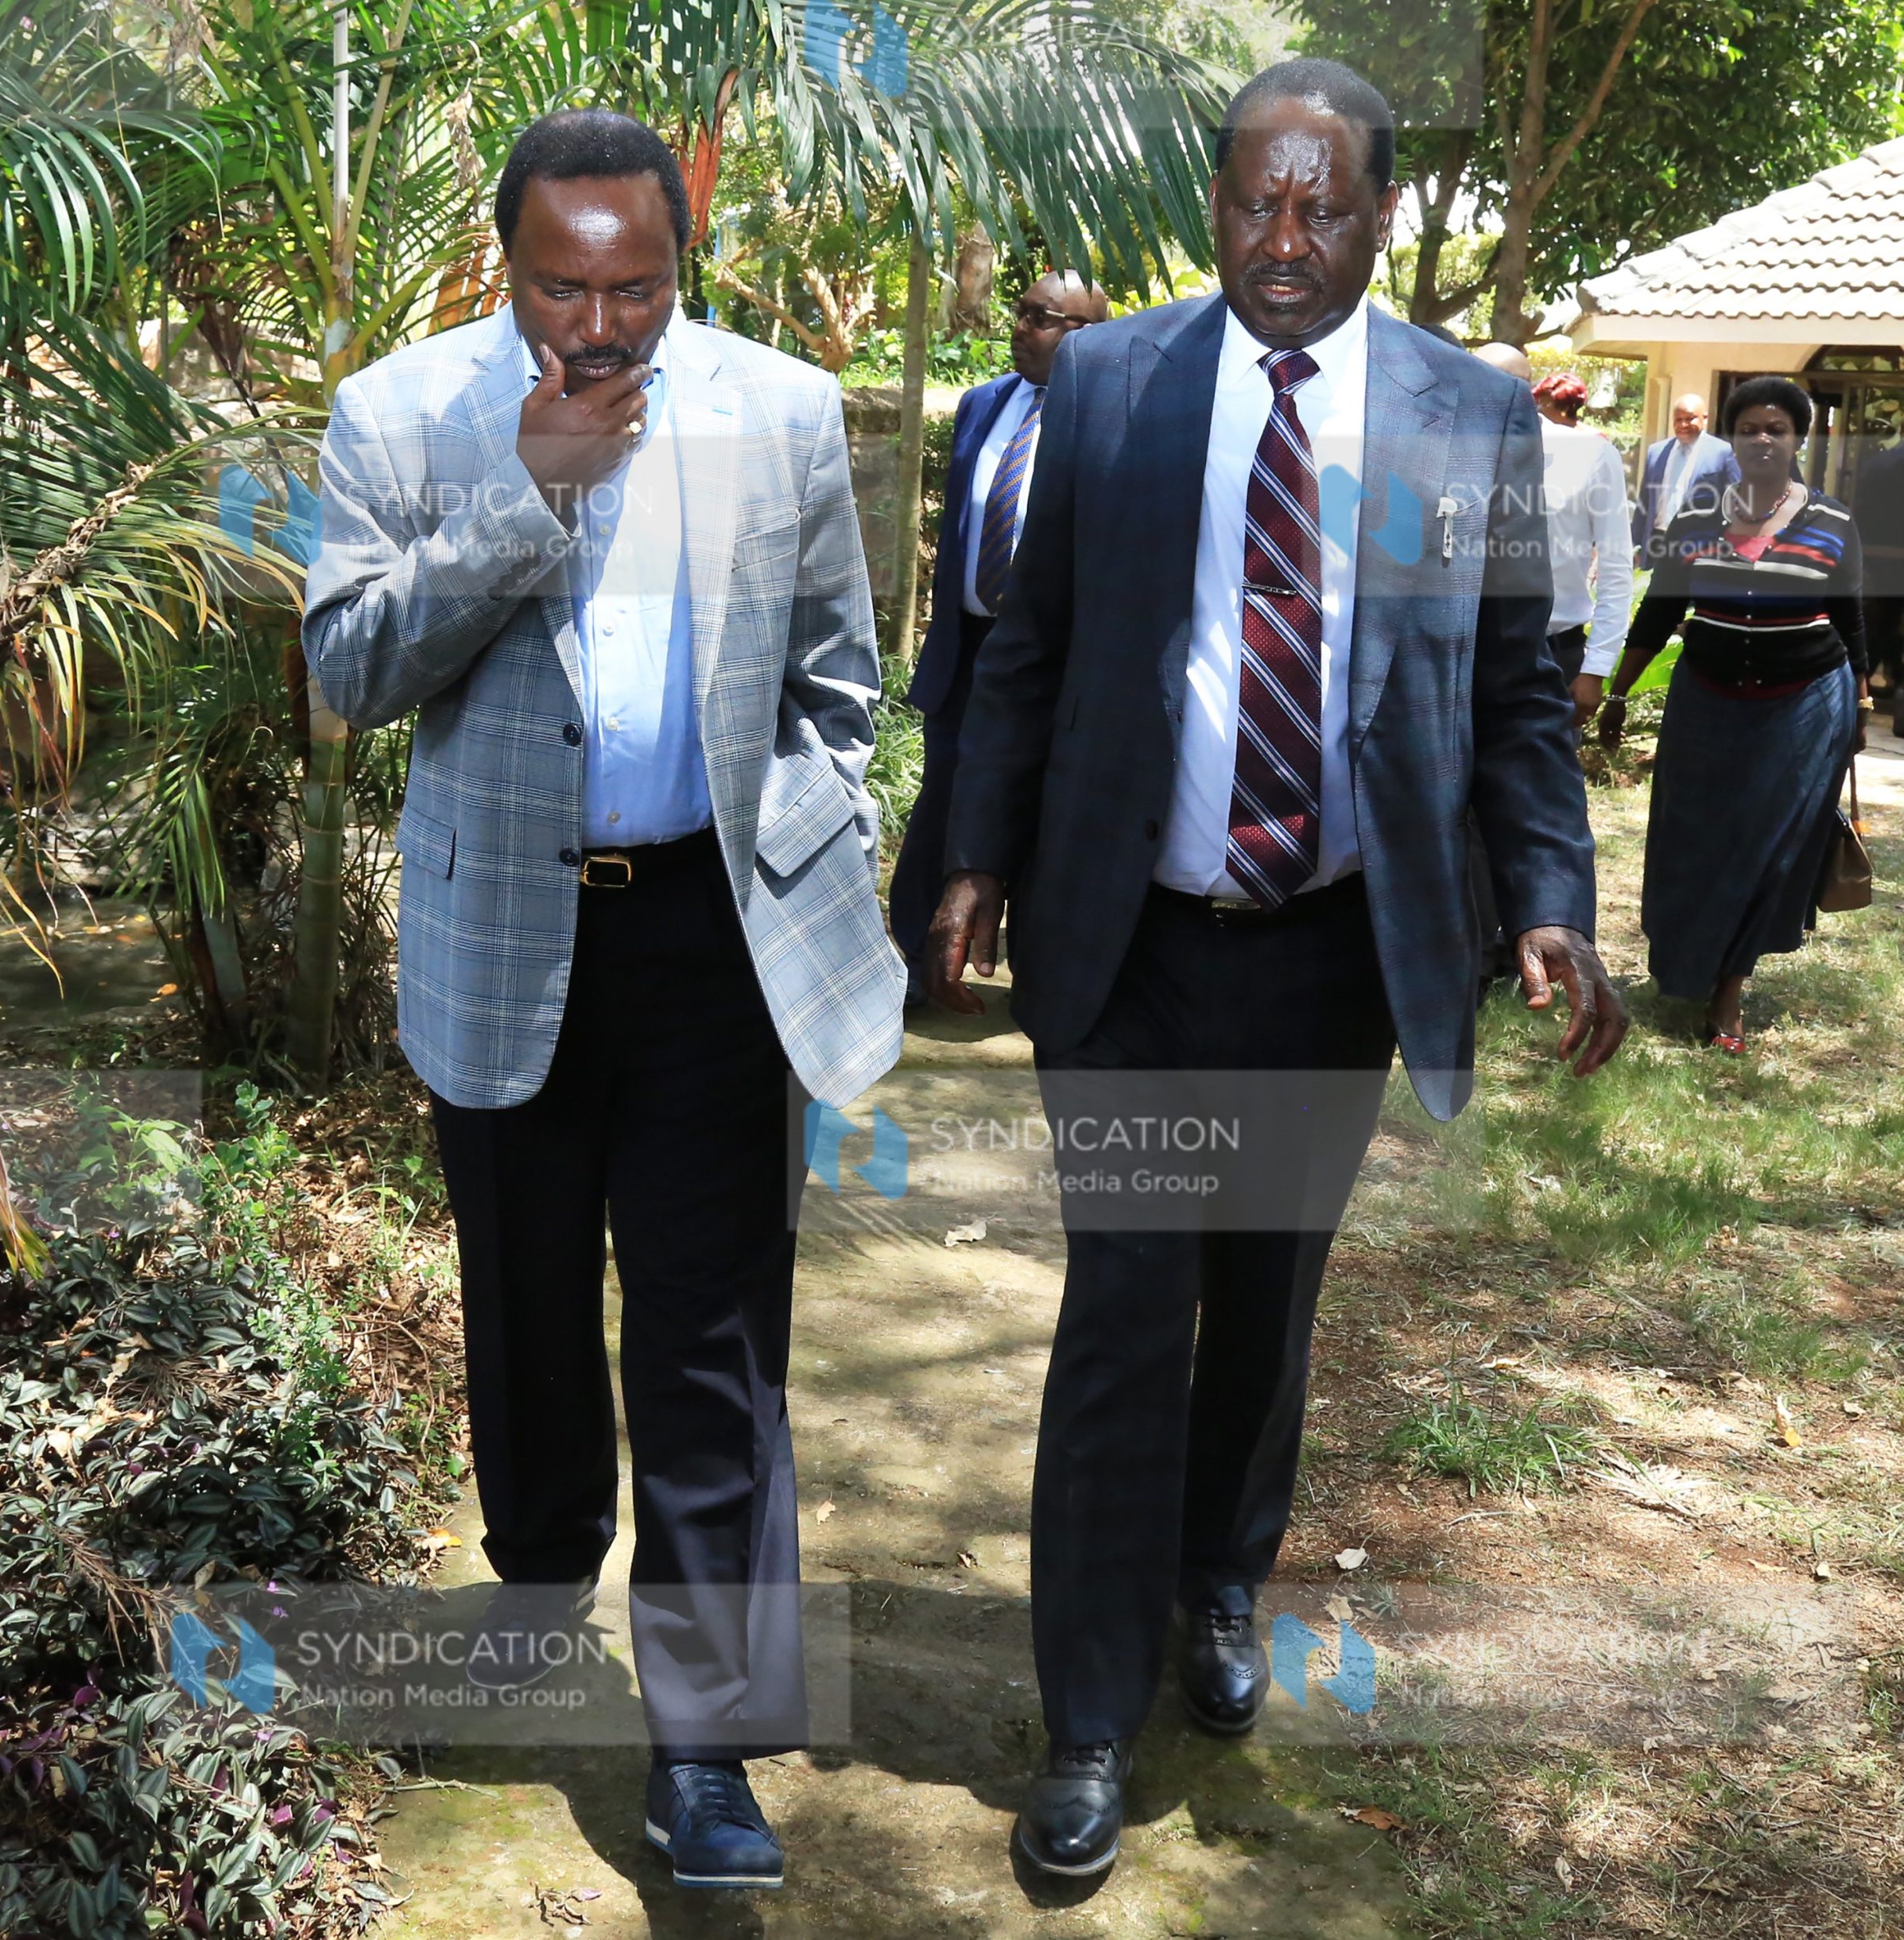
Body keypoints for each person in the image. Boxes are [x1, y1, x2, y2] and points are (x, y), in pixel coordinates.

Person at [927, 57, 1626, 1880]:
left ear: (1380, 215)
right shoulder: (1106, 385)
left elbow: (1508, 693)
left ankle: (1217, 1586)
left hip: (1331, 955)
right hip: (1136, 943)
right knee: (1120, 1310)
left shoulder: (1462, 417)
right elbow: (1025, 647)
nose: (1282, 239)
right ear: (1214, 204)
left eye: (1320, 205)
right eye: (1252, 200)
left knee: (1265, 1298)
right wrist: (976, 853)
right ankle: (1085, 1713)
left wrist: (1545, 890)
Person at [303, 109, 904, 1891]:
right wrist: (528, 492)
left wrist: (804, 850)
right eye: (562, 287)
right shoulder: (401, 415)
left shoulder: (780, 414)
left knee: (714, 1349)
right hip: (501, 927)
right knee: (528, 1302)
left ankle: (706, 1744)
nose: (600, 324)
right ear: (507, 269)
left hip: (709, 943)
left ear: (677, 260)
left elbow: (835, 684)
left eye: (634, 285)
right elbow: (347, 668)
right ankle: (545, 1548)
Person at [1598, 376, 1870, 1054]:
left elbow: (1852, 620)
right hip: (1707, 703)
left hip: (1804, 708)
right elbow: (1660, 609)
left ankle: (1729, 987)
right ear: (1732, 437)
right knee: (1695, 837)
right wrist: (1618, 693)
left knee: (1765, 846)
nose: (1762, 439)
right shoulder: (1696, 517)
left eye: (1776, 429)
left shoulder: (1832, 522)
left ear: (1798, 438)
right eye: (1749, 428)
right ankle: (1691, 958)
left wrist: (1861, 706)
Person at [887, 268, 1109, 992]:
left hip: (1057, 662)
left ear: (1087, 336)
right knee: (943, 807)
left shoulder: (1114, 419)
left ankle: (1040, 977)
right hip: (970, 652)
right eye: (1021, 311)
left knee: (1046, 817)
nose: (1020, 326)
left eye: (1042, 317)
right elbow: (961, 532)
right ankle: (913, 969)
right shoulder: (985, 405)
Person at [1531, 370, 1633, 723]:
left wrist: (1596, 667)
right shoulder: (1461, 448)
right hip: (1468, 651)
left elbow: (1616, 566)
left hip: (1554, 652)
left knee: (1546, 774)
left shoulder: (1591, 454)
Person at [1633, 392, 1737, 567]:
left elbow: (1735, 502)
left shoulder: (1723, 453)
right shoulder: (1657, 452)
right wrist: (1635, 543)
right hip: (1657, 541)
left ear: (1705, 418)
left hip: (1697, 542)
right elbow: (1645, 500)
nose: (1683, 425)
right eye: (1678, 419)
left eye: (1690, 419)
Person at [1851, 436, 1904, 730]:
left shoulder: (1875, 465)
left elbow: (1862, 512)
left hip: (1878, 561)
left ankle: (1860, 695)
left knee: (1877, 630)